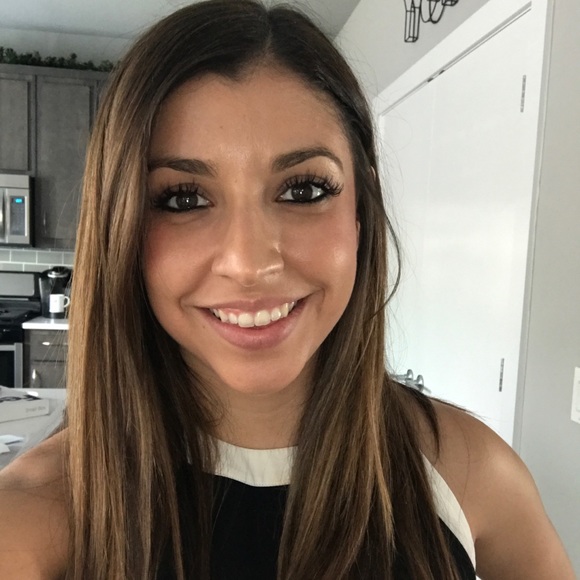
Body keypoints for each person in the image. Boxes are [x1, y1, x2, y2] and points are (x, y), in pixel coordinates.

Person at [0, 1, 574, 578]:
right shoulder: (31, 519)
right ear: (120, 227)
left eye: (303, 191)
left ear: (361, 211)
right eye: (183, 198)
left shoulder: (473, 472)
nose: (250, 264)